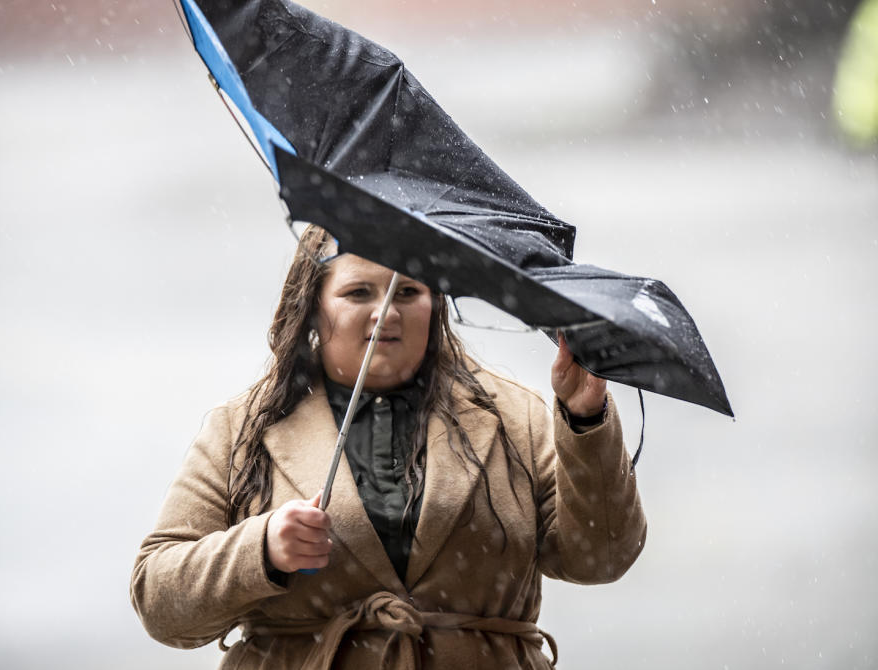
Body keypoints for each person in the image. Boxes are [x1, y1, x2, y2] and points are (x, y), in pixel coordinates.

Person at [130, 226, 646, 669]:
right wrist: (260, 550)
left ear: (435, 304)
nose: (386, 314)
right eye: (358, 293)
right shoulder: (243, 429)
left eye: (408, 292)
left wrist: (585, 417)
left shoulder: (516, 416)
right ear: (312, 308)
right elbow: (159, 598)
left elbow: (601, 558)